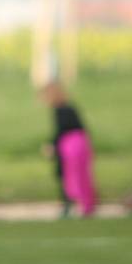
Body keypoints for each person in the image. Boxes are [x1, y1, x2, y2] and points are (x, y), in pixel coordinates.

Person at [39, 81, 97, 217]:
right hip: (81, 141)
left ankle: (71, 204)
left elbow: (61, 130)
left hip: (70, 144)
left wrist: (52, 145)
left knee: (70, 174)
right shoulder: (69, 107)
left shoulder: (60, 110)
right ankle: (86, 205)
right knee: (82, 175)